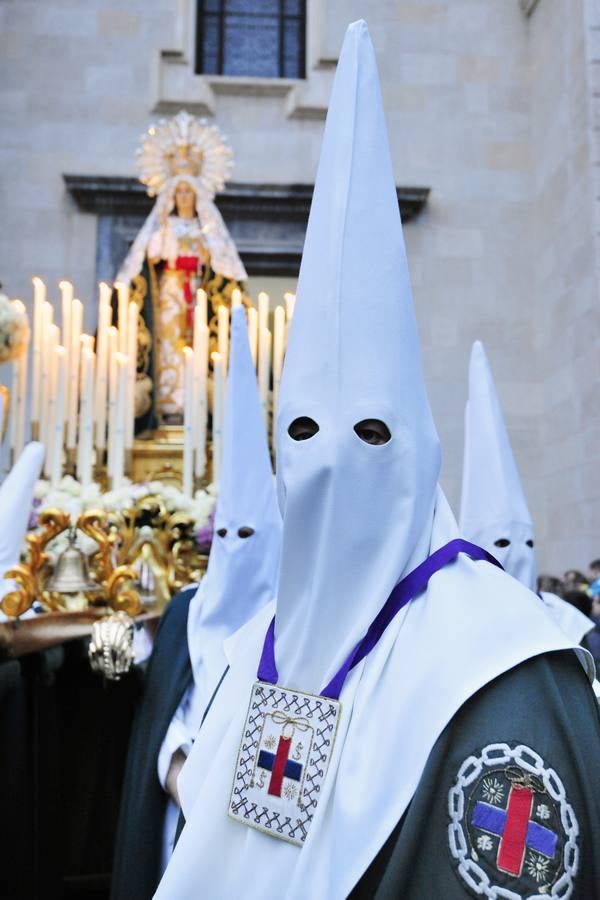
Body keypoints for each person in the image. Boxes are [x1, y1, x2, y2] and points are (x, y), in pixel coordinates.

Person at [156, 21, 600, 899]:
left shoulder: (504, 671)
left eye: (367, 436)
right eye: (304, 438)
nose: (326, 472)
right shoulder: (263, 650)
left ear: (418, 452)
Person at [110, 307, 281, 900]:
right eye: (227, 535)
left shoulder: (298, 615)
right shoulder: (188, 609)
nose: (237, 551)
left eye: (251, 537)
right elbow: (165, 711)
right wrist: (179, 768)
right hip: (182, 806)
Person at [115, 112, 247, 427]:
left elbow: (220, 267)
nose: (184, 197)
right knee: (168, 349)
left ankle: (196, 402)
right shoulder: (164, 226)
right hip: (170, 297)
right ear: (171, 195)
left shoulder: (208, 230)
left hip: (197, 296)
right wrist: (161, 234)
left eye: (189, 191)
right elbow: (150, 260)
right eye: (179, 192)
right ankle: (168, 404)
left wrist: (204, 255)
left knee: (198, 347)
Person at [460, 340, 594, 645]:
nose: (519, 554)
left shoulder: (565, 620)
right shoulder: (459, 619)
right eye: (502, 542)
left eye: (527, 541)